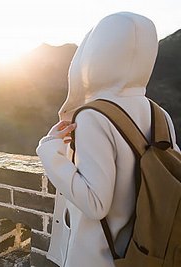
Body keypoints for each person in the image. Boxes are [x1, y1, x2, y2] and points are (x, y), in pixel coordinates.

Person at [36, 12, 179, 267]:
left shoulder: (94, 116)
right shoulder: (160, 114)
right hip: (146, 253)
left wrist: (48, 151)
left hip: (98, 258)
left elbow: (95, 204)